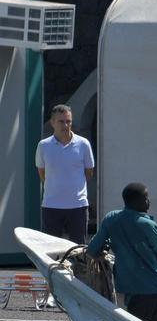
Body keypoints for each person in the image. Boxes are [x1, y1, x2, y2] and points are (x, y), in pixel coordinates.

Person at [87, 182, 157, 321]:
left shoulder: (111, 219)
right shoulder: (148, 224)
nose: (149, 202)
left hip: (134, 293)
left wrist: (109, 243)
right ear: (136, 201)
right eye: (146, 198)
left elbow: (92, 249)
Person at [35, 104, 94, 245]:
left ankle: (78, 268)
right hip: (51, 205)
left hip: (78, 206)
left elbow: (89, 172)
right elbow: (42, 173)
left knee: (79, 249)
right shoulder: (43, 146)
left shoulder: (83, 144)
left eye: (68, 121)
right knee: (51, 250)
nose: (65, 125)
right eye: (61, 121)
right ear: (52, 123)